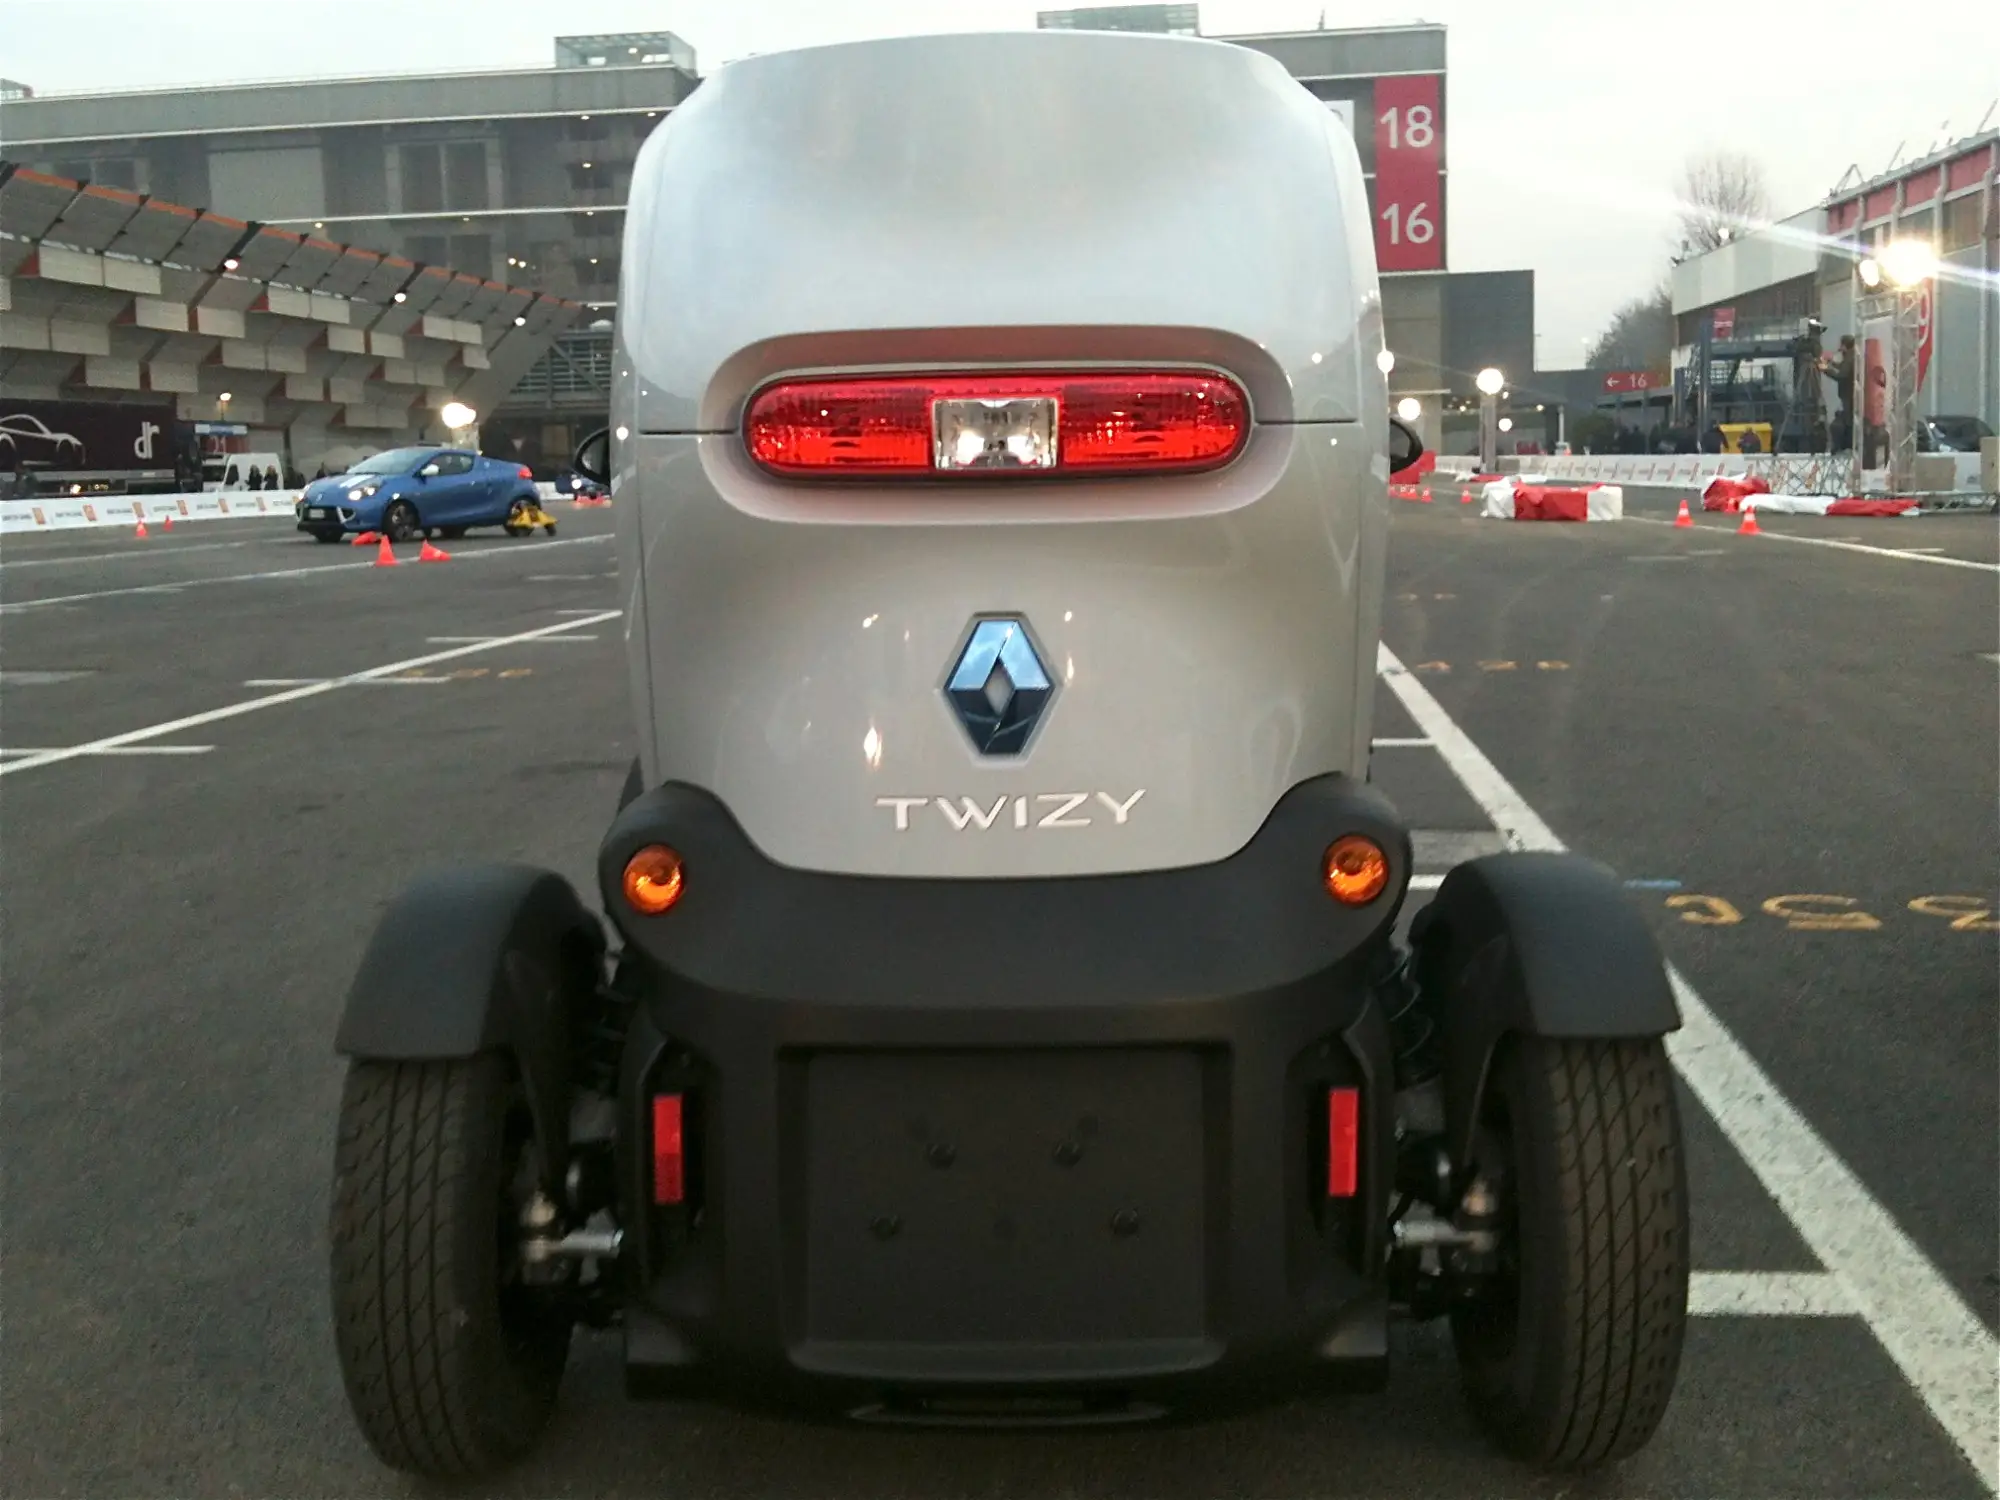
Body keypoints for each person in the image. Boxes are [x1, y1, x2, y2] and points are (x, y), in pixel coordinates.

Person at [1819, 335, 1857, 451]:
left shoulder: (1850, 358)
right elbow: (1843, 367)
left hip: (1849, 395)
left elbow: (1841, 375)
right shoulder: (1851, 356)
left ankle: (1848, 446)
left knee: (1849, 420)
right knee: (1848, 419)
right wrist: (1831, 362)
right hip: (1850, 395)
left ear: (1844, 345)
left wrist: (1825, 369)